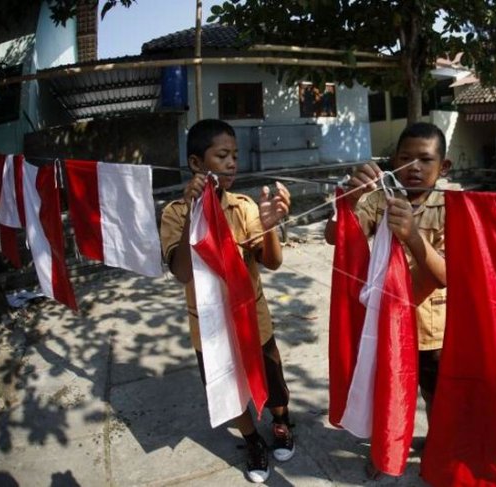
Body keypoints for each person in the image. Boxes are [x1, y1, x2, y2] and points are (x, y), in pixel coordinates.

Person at [160, 119, 293, 484]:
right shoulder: (174, 213)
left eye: (234, 155)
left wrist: (269, 226)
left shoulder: (244, 207)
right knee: (227, 388)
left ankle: (280, 422)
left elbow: (272, 261)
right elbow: (183, 272)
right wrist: (193, 214)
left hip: (253, 319)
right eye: (222, 155)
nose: (233, 162)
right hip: (210, 329)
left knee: (273, 382)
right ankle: (252, 440)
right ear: (196, 165)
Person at [324, 121, 450, 475]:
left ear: (445, 167)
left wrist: (412, 236)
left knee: (435, 397)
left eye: (425, 160)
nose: (414, 168)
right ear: (392, 161)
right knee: (386, 392)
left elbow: (445, 275)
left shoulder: (451, 206)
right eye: (405, 158)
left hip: (431, 329)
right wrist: (346, 204)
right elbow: (336, 237)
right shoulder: (379, 199)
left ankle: (436, 448)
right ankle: (384, 449)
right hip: (384, 325)